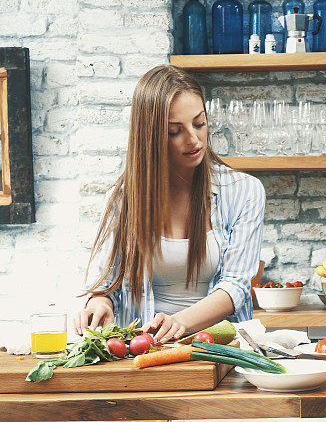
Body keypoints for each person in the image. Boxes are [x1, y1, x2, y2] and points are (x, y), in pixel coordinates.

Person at [73, 65, 266, 344]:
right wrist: (99, 304)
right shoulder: (123, 199)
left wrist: (178, 323)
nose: (193, 139)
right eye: (175, 131)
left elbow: (236, 287)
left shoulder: (244, 192)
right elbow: (105, 286)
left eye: (199, 123)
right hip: (144, 351)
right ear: (150, 137)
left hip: (219, 349)